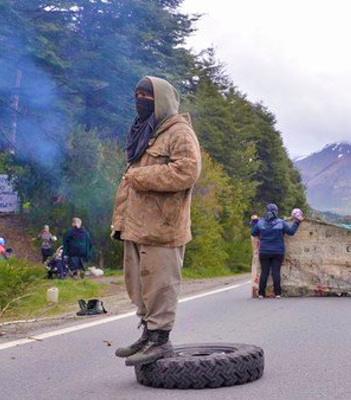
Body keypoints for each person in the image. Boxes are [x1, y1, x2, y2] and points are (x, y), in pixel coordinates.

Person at [111, 76, 201, 366]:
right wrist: (121, 223)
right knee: (139, 285)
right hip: (136, 226)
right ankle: (148, 335)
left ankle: (161, 340)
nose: (140, 99)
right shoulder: (147, 132)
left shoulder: (179, 132)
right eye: (137, 93)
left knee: (161, 285)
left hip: (163, 227)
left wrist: (140, 176)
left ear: (161, 99)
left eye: (146, 95)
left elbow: (187, 171)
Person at [251, 204, 303, 299]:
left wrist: (254, 222)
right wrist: (297, 222)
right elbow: (291, 232)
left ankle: (261, 293)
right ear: (276, 211)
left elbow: (253, 233)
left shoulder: (260, 223)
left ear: (266, 211)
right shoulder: (281, 222)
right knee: (276, 272)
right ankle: (277, 293)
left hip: (264, 251)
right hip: (278, 251)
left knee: (264, 272)